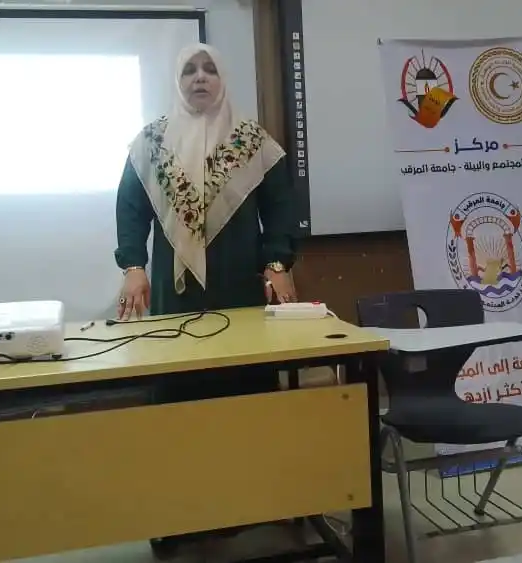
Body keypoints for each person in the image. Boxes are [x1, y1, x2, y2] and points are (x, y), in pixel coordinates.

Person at [112, 43, 299, 556]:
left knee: (244, 394)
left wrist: (278, 264)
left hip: (238, 289)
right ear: (177, 81)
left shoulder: (251, 141)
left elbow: (280, 209)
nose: (200, 78)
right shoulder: (152, 143)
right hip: (175, 297)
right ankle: (178, 513)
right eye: (190, 71)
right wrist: (133, 266)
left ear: (222, 79)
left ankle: (252, 503)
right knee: (178, 399)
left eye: (210, 69)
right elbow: (130, 210)